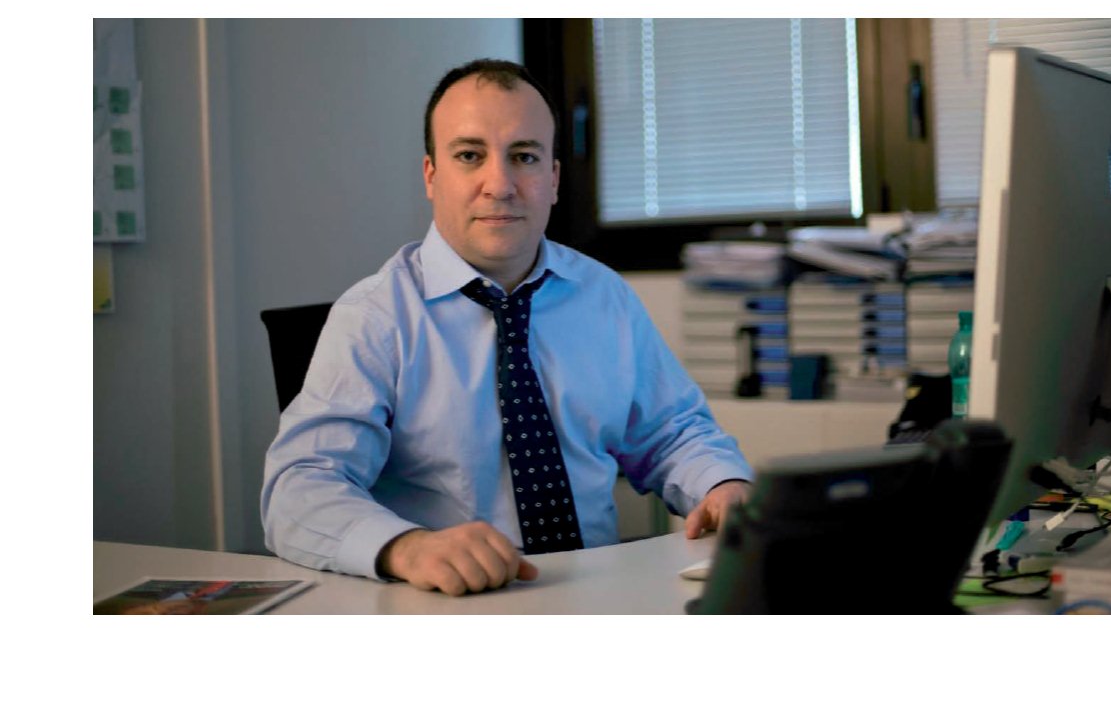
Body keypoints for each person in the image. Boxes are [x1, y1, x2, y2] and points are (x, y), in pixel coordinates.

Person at [261, 58, 753, 595]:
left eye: (524, 157)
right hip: (447, 605)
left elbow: (671, 432)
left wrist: (722, 484)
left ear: (554, 178)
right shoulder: (375, 316)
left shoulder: (603, 295)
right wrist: (408, 547)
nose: (499, 185)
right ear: (431, 175)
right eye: (470, 156)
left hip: (597, 593)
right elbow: (298, 491)